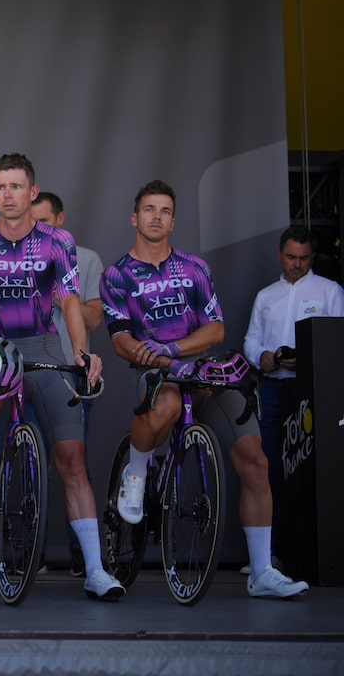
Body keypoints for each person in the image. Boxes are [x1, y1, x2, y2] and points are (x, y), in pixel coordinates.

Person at [101, 180, 308, 599]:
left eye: (164, 211)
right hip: (157, 373)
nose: (156, 217)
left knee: (255, 461)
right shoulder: (116, 274)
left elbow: (216, 329)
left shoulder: (194, 268)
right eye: (148, 209)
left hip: (202, 372)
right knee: (167, 405)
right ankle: (137, 472)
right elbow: (120, 339)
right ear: (134, 217)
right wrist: (161, 360)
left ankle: (262, 572)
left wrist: (173, 348)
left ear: (173, 221)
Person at [0, 153, 122, 601]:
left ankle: (95, 570)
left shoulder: (57, 240)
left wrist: (83, 353)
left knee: (72, 460)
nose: (9, 195)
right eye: (1, 187)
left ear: (32, 192)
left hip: (46, 347)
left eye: (17, 186)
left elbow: (70, 300)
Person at [243, 225, 344, 569]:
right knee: (268, 468)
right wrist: (264, 356)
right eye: (290, 257)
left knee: (313, 470)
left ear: (312, 257)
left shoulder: (330, 291)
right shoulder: (265, 295)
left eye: (303, 258)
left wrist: (310, 356)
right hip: (272, 389)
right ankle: (269, 555)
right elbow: (251, 340)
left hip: (314, 391)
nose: (296, 264)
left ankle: (312, 554)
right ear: (279, 255)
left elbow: (337, 340)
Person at [31, 191, 104, 577]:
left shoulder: (87, 259)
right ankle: (32, 557)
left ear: (60, 221)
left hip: (71, 376)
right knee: (29, 463)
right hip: (31, 371)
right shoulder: (17, 256)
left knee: (75, 467)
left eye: (45, 221)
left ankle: (84, 560)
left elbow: (94, 318)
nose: (38, 228)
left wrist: (64, 299)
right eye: (33, 220)